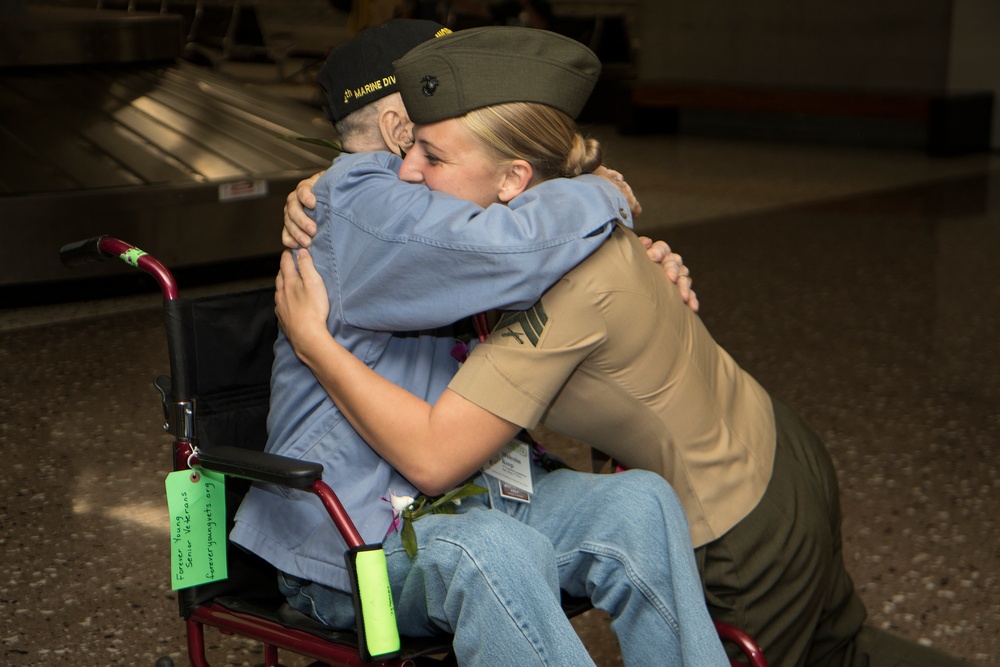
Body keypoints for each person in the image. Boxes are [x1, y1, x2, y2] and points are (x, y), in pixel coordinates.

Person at [278, 26, 975, 667]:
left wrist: (318, 341)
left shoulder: (536, 253)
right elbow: (403, 226)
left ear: (515, 174)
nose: (406, 171)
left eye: (431, 151)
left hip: (739, 506)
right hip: (770, 449)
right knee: (836, 645)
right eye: (410, 146)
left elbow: (498, 260)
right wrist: (597, 193)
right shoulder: (428, 222)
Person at [232, 20, 727, 666]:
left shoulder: (433, 196)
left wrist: (642, 257)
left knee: (642, 504)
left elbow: (528, 234)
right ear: (397, 131)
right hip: (358, 545)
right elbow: (508, 248)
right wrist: (602, 190)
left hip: (478, 496)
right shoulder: (361, 199)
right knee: (492, 548)